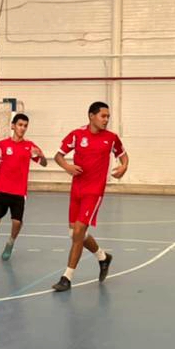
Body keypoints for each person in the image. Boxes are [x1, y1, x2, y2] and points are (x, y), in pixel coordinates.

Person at [51, 101, 128, 292]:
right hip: (76, 190)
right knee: (74, 234)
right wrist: (67, 166)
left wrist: (124, 167)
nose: (106, 120)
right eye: (103, 116)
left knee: (78, 232)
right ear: (91, 116)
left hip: (94, 192)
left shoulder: (111, 138)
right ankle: (103, 257)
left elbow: (123, 155)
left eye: (108, 117)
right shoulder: (77, 135)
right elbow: (58, 156)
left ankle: (66, 278)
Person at [0, 112, 47, 264]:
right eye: (20, 125)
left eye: (25, 126)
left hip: (19, 192)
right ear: (13, 126)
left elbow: (43, 164)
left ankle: (10, 242)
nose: (22, 128)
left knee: (17, 222)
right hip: (1, 189)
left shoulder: (30, 147)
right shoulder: (3, 145)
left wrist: (41, 155)